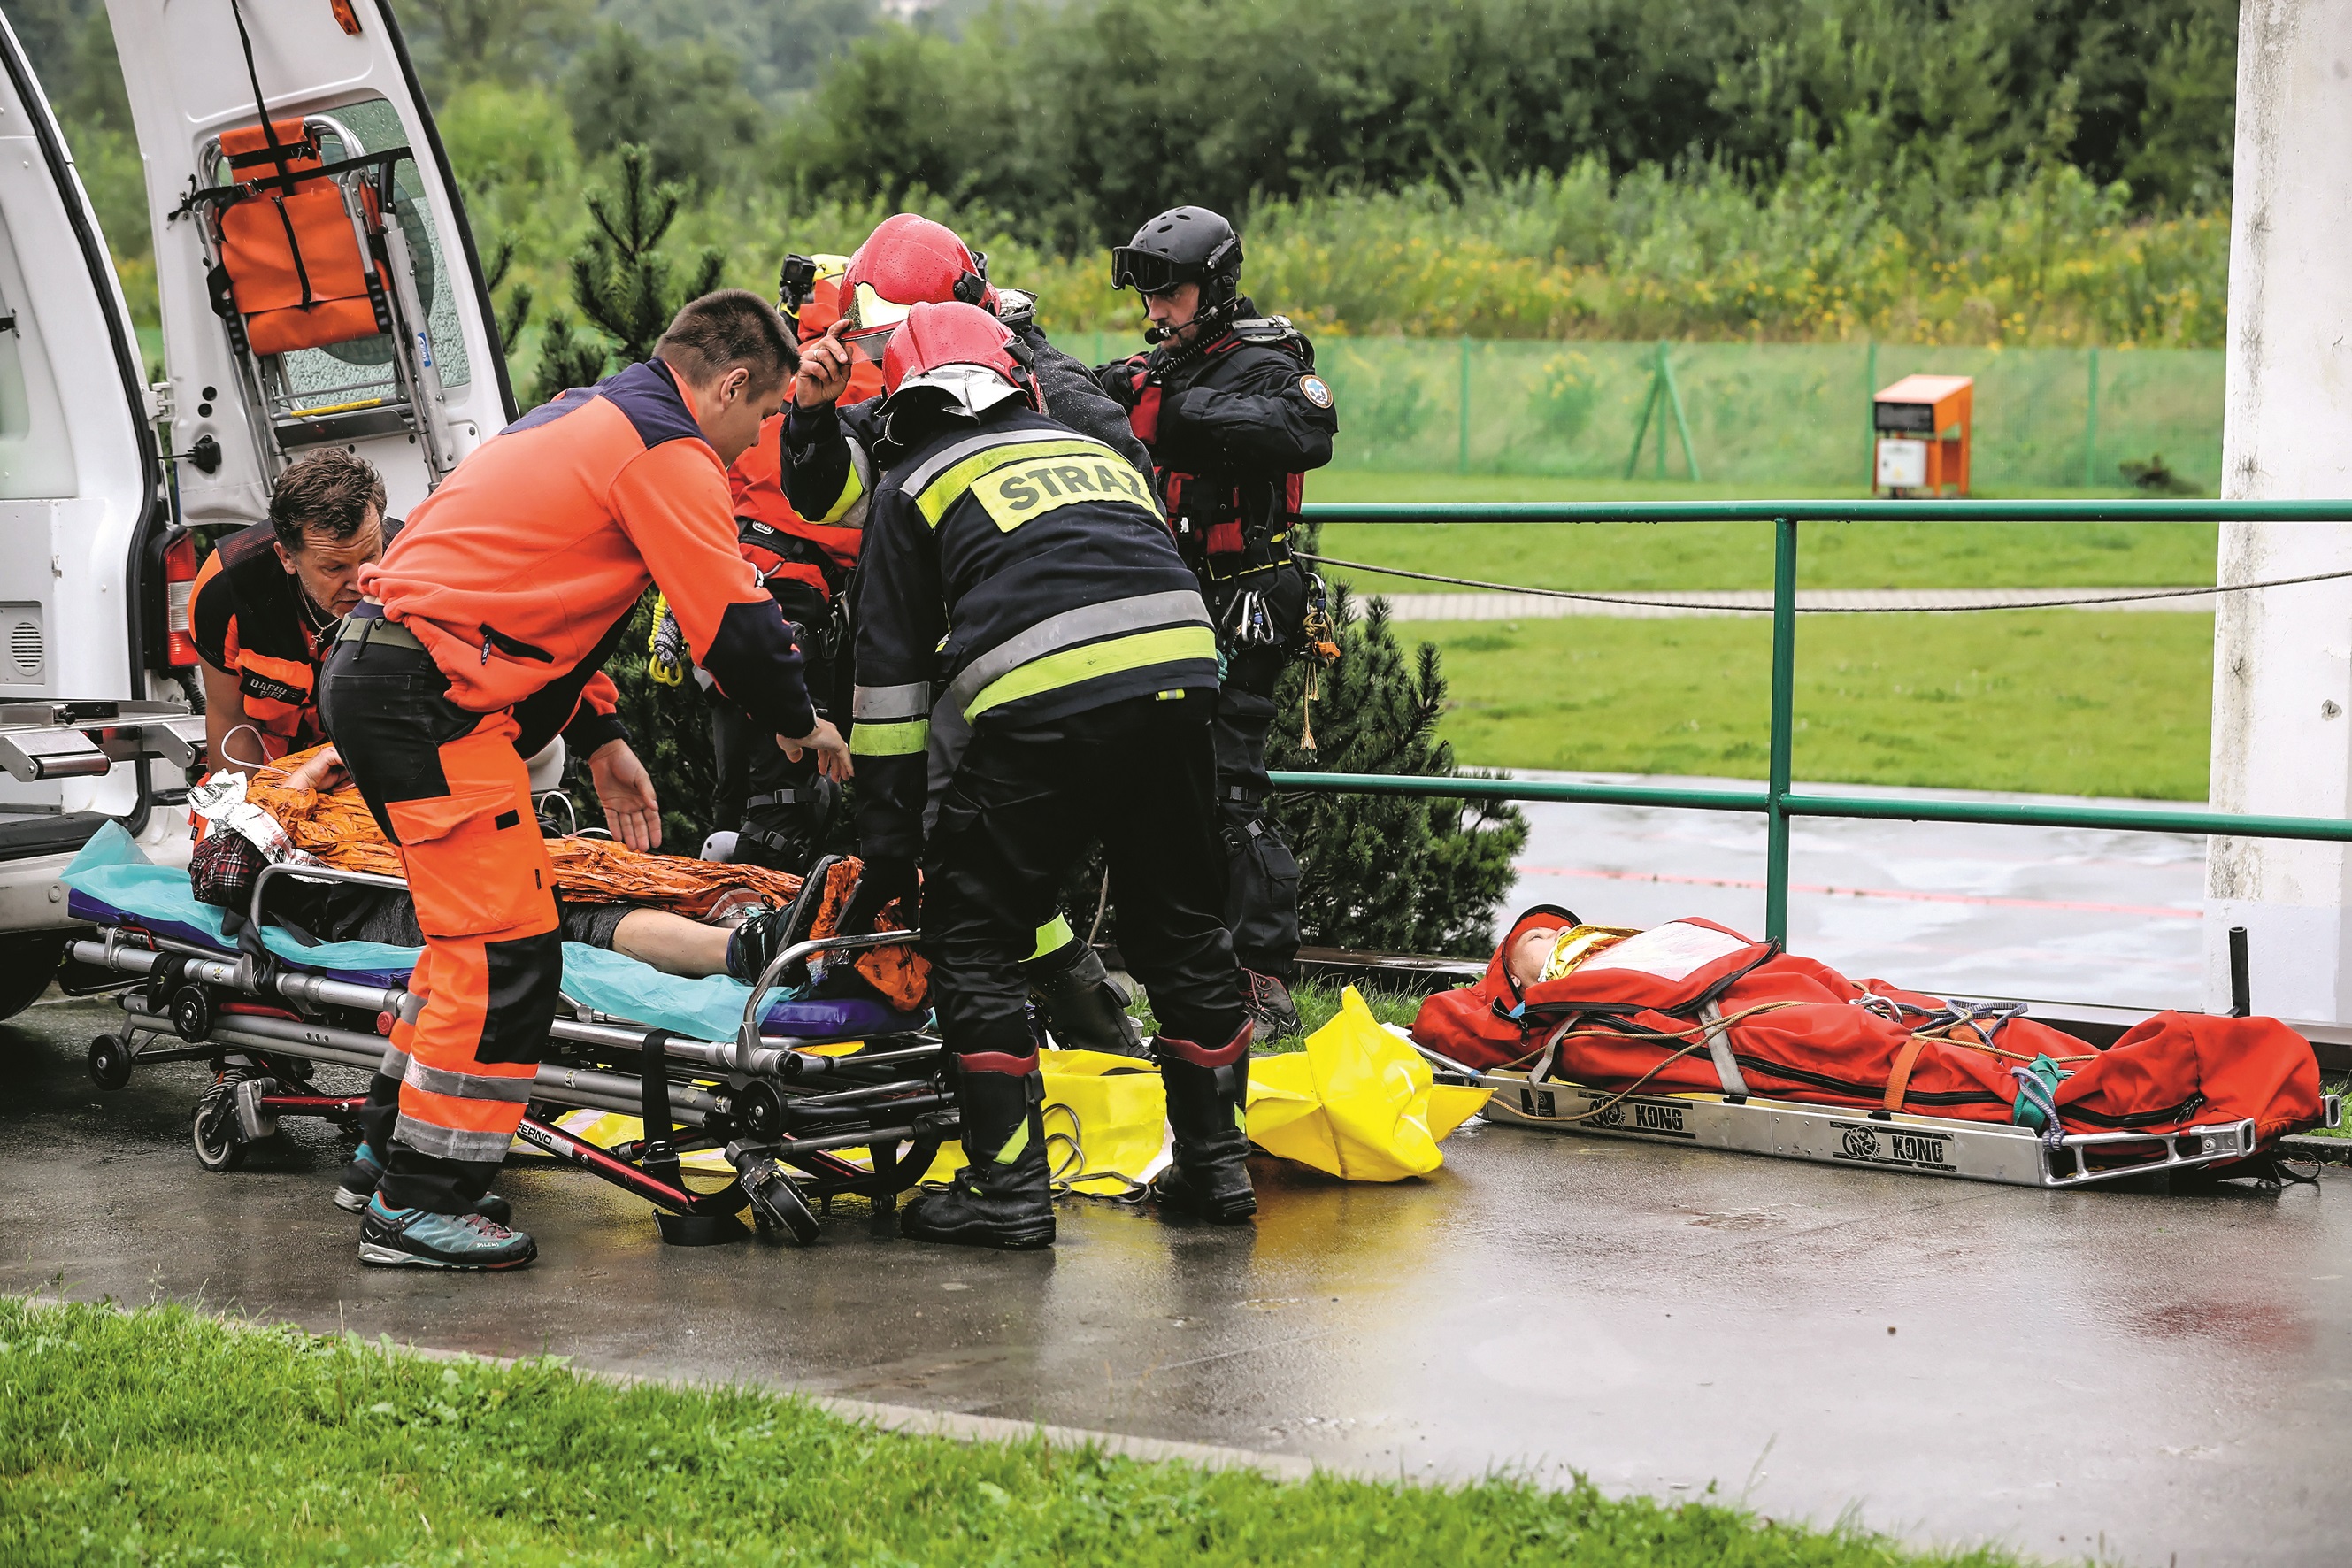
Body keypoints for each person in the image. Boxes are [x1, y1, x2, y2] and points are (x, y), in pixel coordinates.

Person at [316, 289, 850, 1272]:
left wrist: (603, 736)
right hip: (422, 693)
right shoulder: (666, 451)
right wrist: (799, 720)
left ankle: (390, 1158)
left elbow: (537, 590)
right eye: (766, 413)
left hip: (402, 678)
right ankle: (418, 1202)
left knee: (468, 946)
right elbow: (733, 619)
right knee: (506, 952)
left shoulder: (583, 412)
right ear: (730, 384)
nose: (757, 440)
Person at [847, 300, 1256, 1251]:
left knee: (976, 935)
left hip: (1047, 701)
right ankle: (1215, 1167)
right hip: (1181, 681)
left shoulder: (914, 481)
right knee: (1185, 930)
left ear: (907, 400)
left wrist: (887, 845)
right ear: (1013, 377)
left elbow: (890, 686)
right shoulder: (1102, 456)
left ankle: (1009, 1192)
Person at [780, 217, 1149, 1055]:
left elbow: (1116, 517)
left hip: (1039, 671)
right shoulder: (920, 383)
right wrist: (810, 416)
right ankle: (1092, 1028)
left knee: (981, 870)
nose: (884, 357)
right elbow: (832, 497)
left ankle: (1032, 1057)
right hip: (995, 663)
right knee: (992, 865)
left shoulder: (1062, 393)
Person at [1097, 205, 1338, 1040]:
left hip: (1250, 596)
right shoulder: (1156, 366)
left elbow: (1309, 430)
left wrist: (1175, 412)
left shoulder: (1271, 363)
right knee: (1160, 789)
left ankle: (1263, 976)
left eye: (1172, 292)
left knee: (1229, 789)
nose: (1157, 309)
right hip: (1171, 595)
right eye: (1150, 294)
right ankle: (1184, 961)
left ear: (1217, 286)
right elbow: (1086, 394)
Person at [188, 449, 645, 836]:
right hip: (280, 774)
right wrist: (243, 829)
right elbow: (230, 723)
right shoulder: (225, 592)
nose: (360, 582)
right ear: (287, 557)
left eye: (370, 555)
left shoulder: (420, 562)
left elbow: (528, 651)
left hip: (378, 769)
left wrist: (604, 742)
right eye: (334, 569)